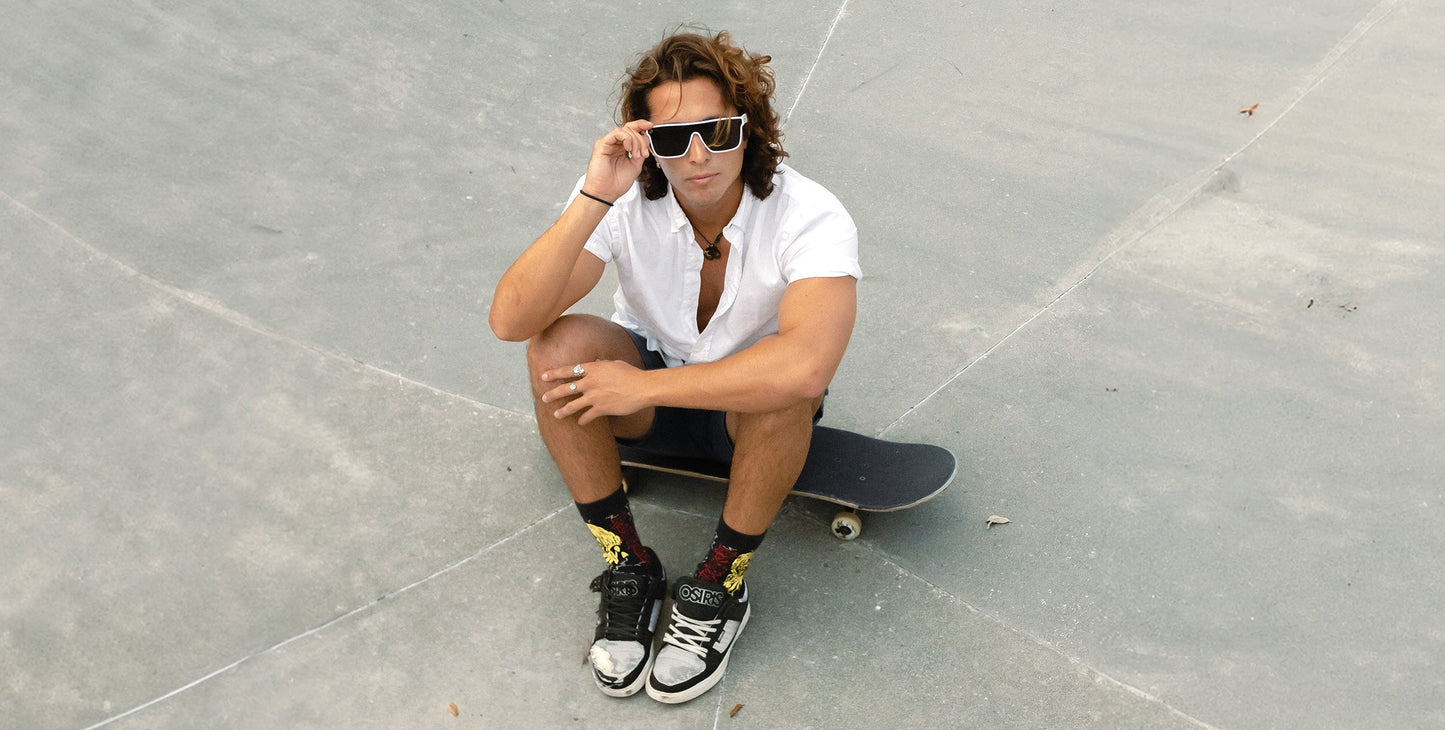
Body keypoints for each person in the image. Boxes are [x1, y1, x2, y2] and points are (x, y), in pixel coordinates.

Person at [489, 30, 860, 704]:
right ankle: (627, 562)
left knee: (781, 385)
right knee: (555, 349)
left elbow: (806, 367)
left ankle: (721, 579)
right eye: (671, 138)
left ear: (748, 128)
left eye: (715, 131)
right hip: (642, 401)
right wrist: (594, 196)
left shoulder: (810, 214)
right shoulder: (626, 198)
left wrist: (642, 384)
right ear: (646, 143)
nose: (695, 157)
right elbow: (511, 321)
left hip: (743, 410)